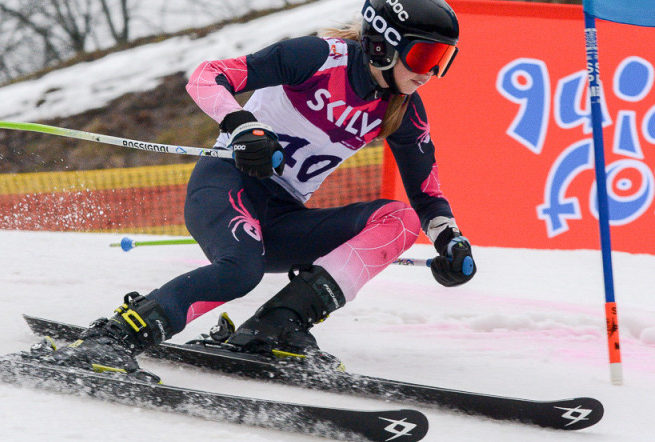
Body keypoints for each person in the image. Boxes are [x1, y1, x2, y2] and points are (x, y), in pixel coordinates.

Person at [41, 0, 475, 380]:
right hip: (227, 184)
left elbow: (426, 194)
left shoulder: (402, 110)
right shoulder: (318, 57)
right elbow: (207, 76)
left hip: (282, 218)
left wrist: (449, 240)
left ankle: (279, 324)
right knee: (240, 271)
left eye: (443, 59)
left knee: (399, 220)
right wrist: (243, 125)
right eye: (424, 56)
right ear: (382, 43)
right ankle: (115, 336)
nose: (432, 72)